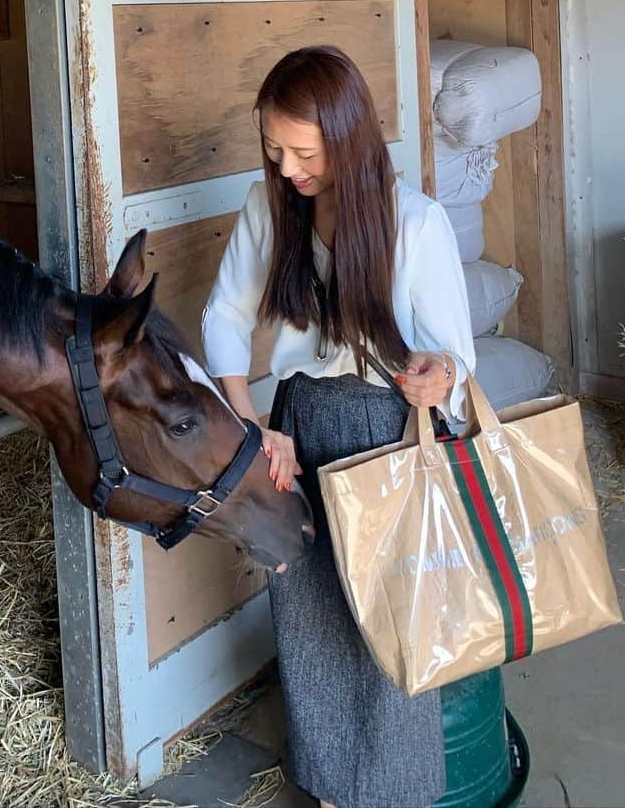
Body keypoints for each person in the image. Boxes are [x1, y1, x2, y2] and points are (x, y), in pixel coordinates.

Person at [202, 45, 475, 808]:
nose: (287, 168)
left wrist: (438, 374)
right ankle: (330, 790)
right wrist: (253, 428)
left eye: (305, 151)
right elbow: (222, 315)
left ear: (349, 138)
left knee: (391, 623)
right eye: (274, 149)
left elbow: (460, 357)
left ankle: (397, 793)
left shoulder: (415, 222)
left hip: (386, 427)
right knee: (311, 617)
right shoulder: (272, 211)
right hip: (297, 423)